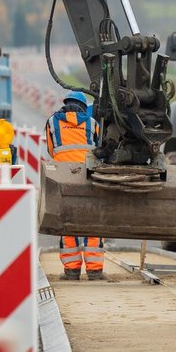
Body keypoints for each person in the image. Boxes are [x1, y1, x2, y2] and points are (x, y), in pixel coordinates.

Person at [46, 91, 106, 281]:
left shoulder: (51, 122)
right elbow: (99, 149)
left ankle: (71, 270)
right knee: (92, 222)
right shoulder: (93, 124)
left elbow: (50, 149)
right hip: (87, 179)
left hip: (62, 180)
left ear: (65, 104)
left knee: (67, 223)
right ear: (83, 107)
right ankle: (95, 270)